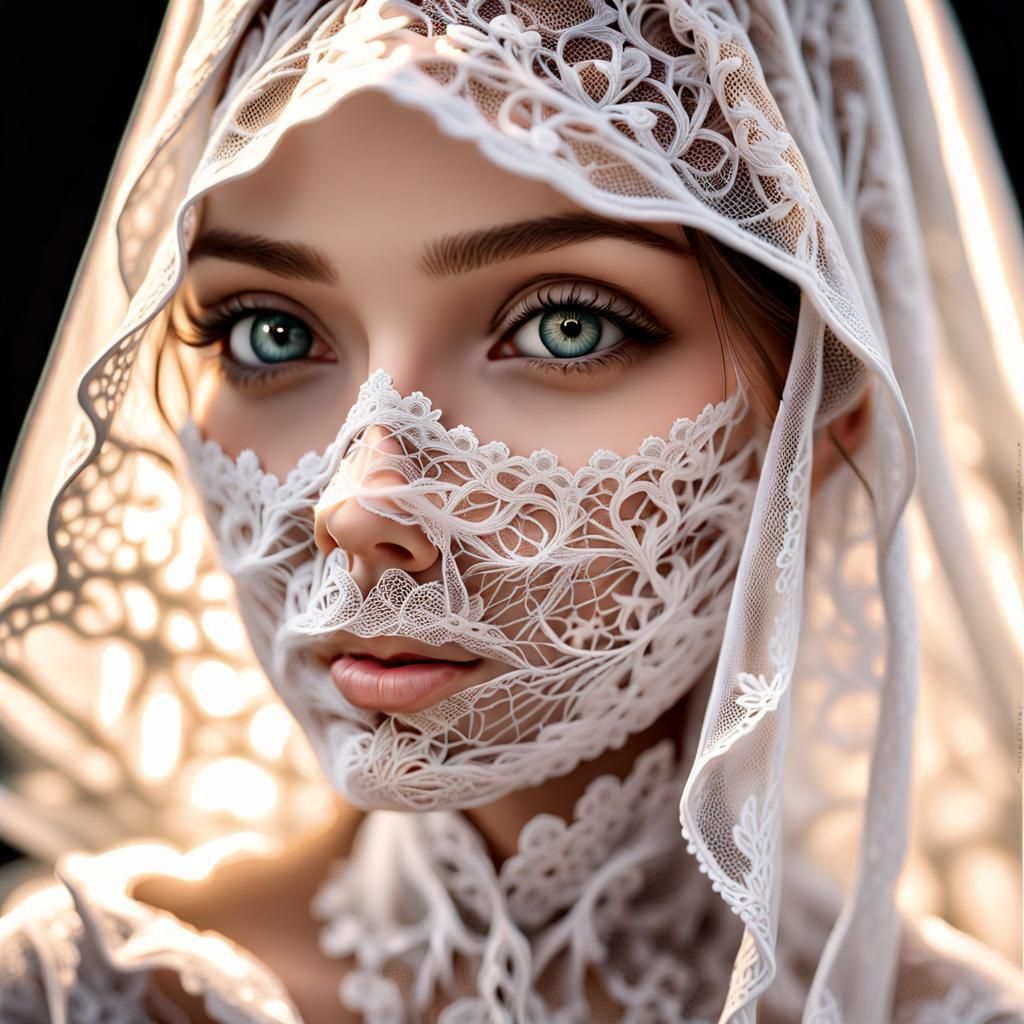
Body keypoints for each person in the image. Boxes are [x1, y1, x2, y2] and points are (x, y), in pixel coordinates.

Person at [0, 0, 1021, 1021]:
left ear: (828, 402)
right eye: (268, 331)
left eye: (564, 327)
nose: (359, 505)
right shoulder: (70, 993)